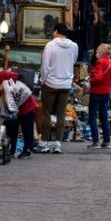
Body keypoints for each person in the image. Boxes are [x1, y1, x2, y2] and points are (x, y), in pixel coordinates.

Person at [0, 70, 38, 159]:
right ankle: (11, 150)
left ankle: (27, 150)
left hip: (25, 102)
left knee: (27, 127)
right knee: (10, 126)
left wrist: (5, 86)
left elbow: (18, 76)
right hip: (11, 110)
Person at [38, 23, 78, 154]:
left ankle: (44, 143)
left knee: (46, 113)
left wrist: (43, 80)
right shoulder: (74, 46)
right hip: (66, 84)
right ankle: (58, 144)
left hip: (51, 83)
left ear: (55, 31)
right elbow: (73, 62)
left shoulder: (50, 45)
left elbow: (45, 66)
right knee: (61, 113)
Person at [87, 44, 111, 149]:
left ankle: (95, 141)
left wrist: (91, 80)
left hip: (96, 92)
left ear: (101, 51)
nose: (96, 52)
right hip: (106, 92)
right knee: (104, 116)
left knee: (92, 116)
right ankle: (106, 141)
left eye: (97, 50)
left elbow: (98, 78)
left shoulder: (100, 62)